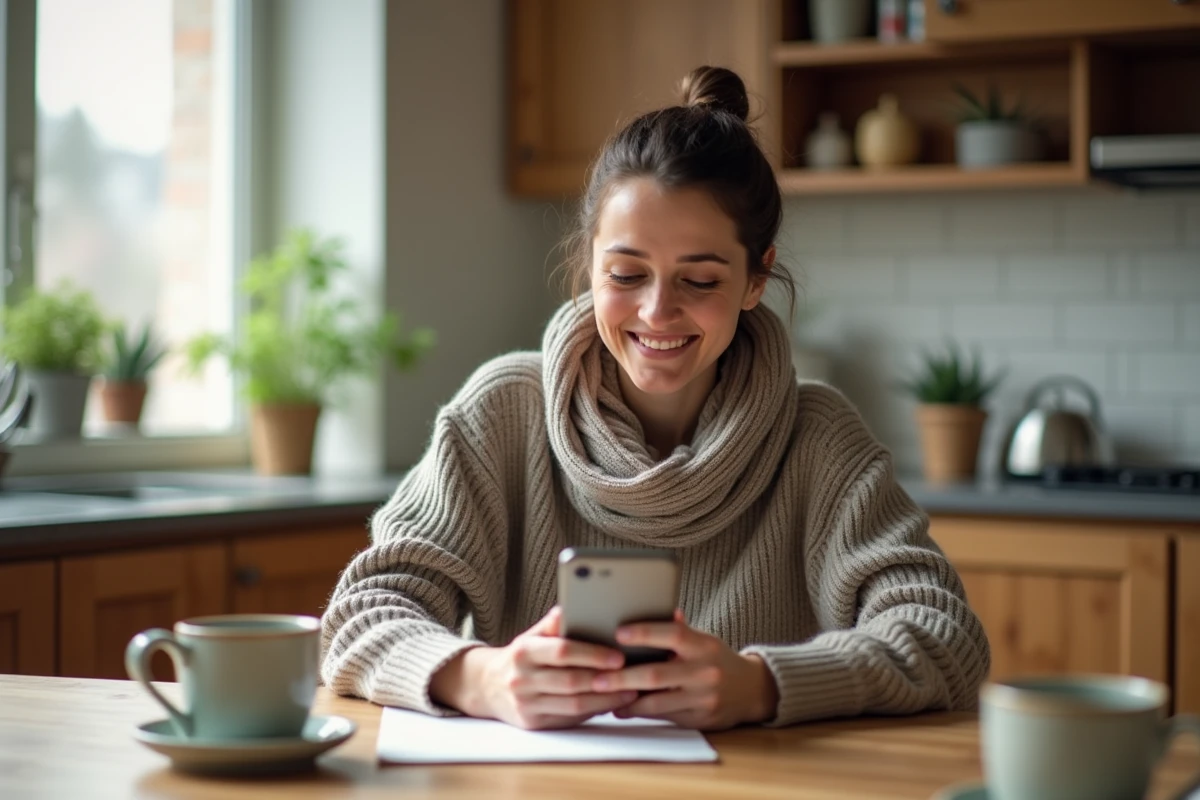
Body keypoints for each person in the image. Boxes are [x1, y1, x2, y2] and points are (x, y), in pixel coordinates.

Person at [321, 66, 990, 731]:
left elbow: (946, 638)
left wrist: (763, 686)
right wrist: (479, 678)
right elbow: (360, 615)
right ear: (588, 264)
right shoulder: (502, 413)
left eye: (699, 279)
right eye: (626, 273)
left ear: (756, 280)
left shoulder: (818, 438)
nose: (657, 310)